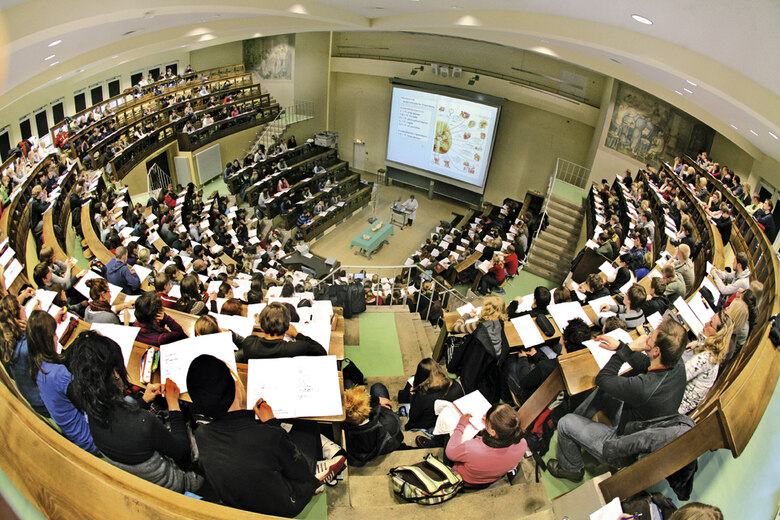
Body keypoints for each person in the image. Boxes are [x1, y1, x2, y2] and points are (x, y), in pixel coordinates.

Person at [187, 355, 345, 516]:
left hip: (240, 502)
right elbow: (300, 470)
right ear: (235, 388)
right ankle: (316, 478)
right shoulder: (269, 436)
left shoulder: (201, 435)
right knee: (308, 426)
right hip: (286, 503)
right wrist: (271, 422)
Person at [548, 317, 687, 482]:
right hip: (637, 425)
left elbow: (603, 379)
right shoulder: (677, 364)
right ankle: (577, 431)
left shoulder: (645, 388)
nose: (646, 337)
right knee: (606, 393)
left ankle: (572, 468)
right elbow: (645, 364)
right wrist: (621, 347)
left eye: (651, 336)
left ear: (656, 351)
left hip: (621, 447)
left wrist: (627, 349)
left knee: (565, 423)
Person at [67, 331, 202, 493]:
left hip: (145, 477)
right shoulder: (143, 422)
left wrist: (144, 401)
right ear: (115, 373)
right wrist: (173, 403)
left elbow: (125, 421)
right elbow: (183, 453)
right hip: (178, 481)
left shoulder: (93, 412)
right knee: (202, 426)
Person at [25, 312, 99, 453]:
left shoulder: (37, 365)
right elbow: (89, 403)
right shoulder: (58, 374)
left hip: (74, 433)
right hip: (89, 438)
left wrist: (81, 339)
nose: (57, 337)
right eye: (54, 334)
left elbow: (63, 358)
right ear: (48, 341)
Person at [503, 317, 591, 405]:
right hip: (554, 395)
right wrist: (537, 355)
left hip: (534, 400)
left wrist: (522, 358)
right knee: (544, 350)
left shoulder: (547, 366)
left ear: (564, 340)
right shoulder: (585, 362)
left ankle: (506, 398)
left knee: (508, 360)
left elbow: (524, 381)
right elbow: (551, 364)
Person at [444, 404, 527, 486]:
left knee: (448, 434)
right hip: (491, 479)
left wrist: (460, 426)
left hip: (466, 480)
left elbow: (450, 453)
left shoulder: (471, 448)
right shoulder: (523, 443)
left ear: (493, 432)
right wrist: (490, 425)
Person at [678, 311, 733, 414]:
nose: (706, 323)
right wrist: (699, 342)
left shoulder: (706, 358)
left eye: (711, 324)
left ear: (717, 334)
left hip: (676, 403)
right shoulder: (714, 352)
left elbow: (676, 376)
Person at [397, 358, 464, 440]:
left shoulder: (423, 395)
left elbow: (413, 417)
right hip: (448, 421)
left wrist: (413, 397)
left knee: (408, 394)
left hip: (429, 425)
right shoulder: (456, 385)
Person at [236, 302, 325, 362]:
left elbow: (257, 338)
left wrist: (260, 323)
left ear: (262, 325)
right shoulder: (296, 348)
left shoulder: (249, 343)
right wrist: (296, 334)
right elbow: (321, 352)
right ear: (287, 326)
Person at [343, 384, 403, 466]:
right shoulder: (389, 422)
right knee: (377, 387)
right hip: (384, 445)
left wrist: (376, 401)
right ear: (369, 408)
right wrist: (378, 402)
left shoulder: (342, 428)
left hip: (357, 452)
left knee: (348, 382)